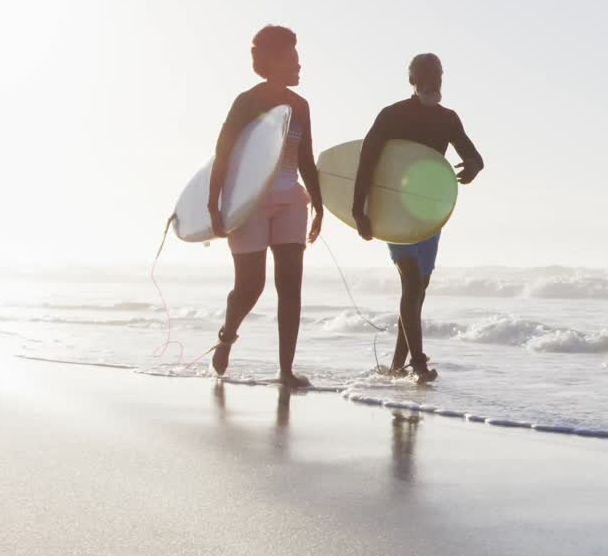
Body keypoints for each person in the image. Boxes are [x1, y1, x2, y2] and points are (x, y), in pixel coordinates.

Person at [352, 53, 483, 383]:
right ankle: (419, 363)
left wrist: (472, 167)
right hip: (396, 211)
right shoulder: (392, 115)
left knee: (417, 290)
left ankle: (398, 365)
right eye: (425, 76)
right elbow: (366, 161)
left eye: (437, 76)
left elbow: (473, 155)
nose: (432, 82)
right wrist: (359, 210)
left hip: (429, 213)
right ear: (412, 80)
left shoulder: (447, 119)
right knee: (411, 284)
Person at [207, 25, 324, 388]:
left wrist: (319, 206)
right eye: (292, 57)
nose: (299, 64)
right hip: (250, 202)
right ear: (272, 61)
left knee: (291, 286)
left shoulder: (301, 106)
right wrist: (215, 205)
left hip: (290, 200)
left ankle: (286, 370)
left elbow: (305, 158)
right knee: (251, 286)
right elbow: (223, 152)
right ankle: (227, 335)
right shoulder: (247, 101)